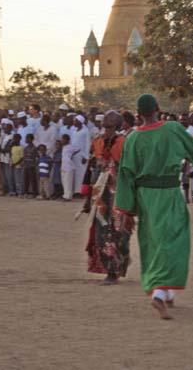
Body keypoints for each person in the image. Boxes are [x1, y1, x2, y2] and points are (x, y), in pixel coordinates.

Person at [114, 94, 193, 320]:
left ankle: (165, 292)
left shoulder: (133, 138)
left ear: (138, 113)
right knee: (174, 240)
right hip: (169, 193)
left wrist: (126, 211)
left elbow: (126, 176)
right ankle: (159, 292)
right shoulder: (173, 129)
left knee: (154, 242)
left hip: (145, 197)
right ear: (157, 108)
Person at [81, 111, 130, 285]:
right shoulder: (97, 142)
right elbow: (90, 170)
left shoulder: (124, 143)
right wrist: (87, 198)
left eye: (110, 127)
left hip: (118, 194)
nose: (106, 130)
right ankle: (109, 269)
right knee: (102, 233)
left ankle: (114, 271)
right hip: (99, 195)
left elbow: (130, 170)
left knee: (118, 232)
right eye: (105, 126)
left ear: (118, 127)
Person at [60, 134, 80, 201]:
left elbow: (78, 149)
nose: (61, 140)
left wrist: (72, 154)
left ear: (66, 140)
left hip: (69, 166)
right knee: (64, 182)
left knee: (68, 182)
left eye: (62, 139)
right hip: (63, 166)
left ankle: (68, 196)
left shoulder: (71, 146)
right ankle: (65, 195)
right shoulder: (63, 147)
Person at [22, 134, 38, 198]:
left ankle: (34, 193)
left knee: (33, 179)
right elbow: (24, 156)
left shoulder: (34, 148)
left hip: (32, 166)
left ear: (31, 139)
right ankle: (26, 192)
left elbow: (36, 157)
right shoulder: (25, 148)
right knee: (26, 179)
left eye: (27, 138)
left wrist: (34, 164)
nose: (26, 139)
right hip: (26, 165)